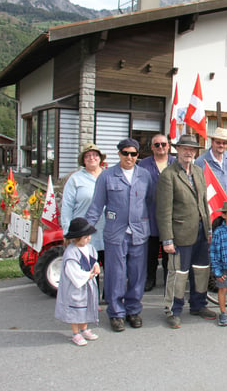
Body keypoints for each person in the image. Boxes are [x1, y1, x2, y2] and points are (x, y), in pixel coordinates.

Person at [86, 138, 152, 332]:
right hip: (116, 234)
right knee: (115, 274)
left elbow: (149, 202)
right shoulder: (107, 176)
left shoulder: (145, 176)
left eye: (133, 154)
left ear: (137, 155)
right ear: (119, 154)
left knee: (137, 275)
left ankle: (133, 310)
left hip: (139, 233)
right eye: (125, 153)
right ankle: (116, 313)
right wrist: (86, 230)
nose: (129, 157)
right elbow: (96, 206)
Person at [156, 134, 217, 329]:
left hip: (200, 231)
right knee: (178, 273)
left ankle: (199, 305)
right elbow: (163, 210)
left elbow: (204, 203)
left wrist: (208, 229)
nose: (188, 152)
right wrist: (167, 239)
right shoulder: (168, 175)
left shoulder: (199, 171)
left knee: (201, 271)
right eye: (184, 148)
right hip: (180, 233)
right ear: (177, 150)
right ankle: (173, 310)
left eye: (192, 149)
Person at [138, 133, 176, 292]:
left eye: (163, 144)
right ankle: (150, 278)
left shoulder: (176, 163)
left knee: (170, 251)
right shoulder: (143, 165)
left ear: (168, 146)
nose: (161, 147)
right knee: (151, 251)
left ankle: (169, 279)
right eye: (157, 145)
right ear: (152, 147)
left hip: (171, 215)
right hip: (150, 213)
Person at [55, 217, 101, 346]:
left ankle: (84, 329)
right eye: (85, 237)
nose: (88, 239)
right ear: (76, 238)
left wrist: (96, 265)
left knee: (85, 308)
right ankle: (75, 333)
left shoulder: (89, 248)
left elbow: (93, 260)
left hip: (86, 285)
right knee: (75, 309)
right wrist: (88, 275)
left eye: (88, 236)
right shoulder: (71, 253)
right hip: (76, 287)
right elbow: (73, 272)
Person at [61, 143, 106, 273]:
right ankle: (91, 294)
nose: (92, 158)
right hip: (85, 235)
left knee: (110, 271)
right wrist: (67, 230)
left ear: (100, 158)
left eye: (95, 155)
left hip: (107, 232)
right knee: (89, 271)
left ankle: (108, 294)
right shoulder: (75, 179)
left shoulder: (108, 176)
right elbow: (67, 206)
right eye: (88, 156)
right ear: (83, 160)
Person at [195, 127, 227, 200]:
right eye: (218, 142)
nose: (221, 145)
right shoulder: (200, 162)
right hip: (212, 208)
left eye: (224, 143)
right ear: (212, 142)